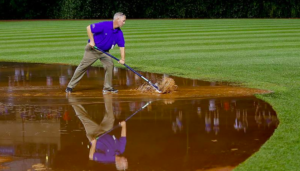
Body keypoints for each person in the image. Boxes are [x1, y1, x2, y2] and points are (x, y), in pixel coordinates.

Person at [66, 12, 127, 94]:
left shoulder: (119, 33)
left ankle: (107, 87)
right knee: (83, 67)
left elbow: (122, 46)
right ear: (117, 19)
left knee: (110, 65)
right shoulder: (105, 25)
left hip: (104, 52)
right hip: (93, 49)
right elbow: (89, 28)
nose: (124, 23)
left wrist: (122, 59)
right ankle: (70, 86)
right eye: (123, 21)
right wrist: (91, 41)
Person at [69, 94, 128, 170]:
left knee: (83, 116)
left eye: (125, 162)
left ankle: (72, 100)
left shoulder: (107, 159)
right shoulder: (121, 149)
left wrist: (93, 144)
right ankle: (107, 94)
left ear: (119, 163)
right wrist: (124, 125)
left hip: (95, 134)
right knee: (111, 117)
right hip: (106, 131)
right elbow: (123, 137)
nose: (126, 160)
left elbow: (91, 156)